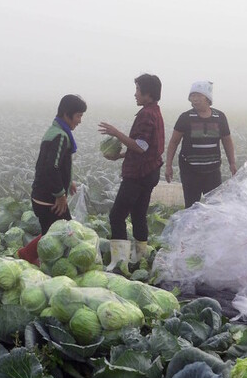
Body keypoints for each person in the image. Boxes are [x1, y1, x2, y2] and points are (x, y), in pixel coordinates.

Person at [99, 74, 165, 269]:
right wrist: (120, 156)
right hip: (150, 171)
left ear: (148, 94)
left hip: (138, 175)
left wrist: (115, 133)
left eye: (137, 90)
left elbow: (142, 146)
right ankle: (139, 258)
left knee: (117, 216)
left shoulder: (146, 114)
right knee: (138, 214)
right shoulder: (155, 111)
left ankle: (120, 262)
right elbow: (148, 147)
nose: (135, 94)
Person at [17, 95, 87, 265]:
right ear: (66, 114)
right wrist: (60, 194)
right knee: (65, 234)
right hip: (49, 199)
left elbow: (55, 163)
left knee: (53, 233)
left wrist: (68, 180)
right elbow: (51, 167)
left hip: (41, 196)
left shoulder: (55, 131)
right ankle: (34, 259)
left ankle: (27, 254)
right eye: (78, 116)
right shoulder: (61, 136)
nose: (79, 121)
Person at [164, 81, 236, 207]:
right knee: (192, 206)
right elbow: (174, 142)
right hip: (190, 171)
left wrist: (232, 163)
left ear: (207, 98)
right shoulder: (185, 117)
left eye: (198, 95)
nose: (195, 99)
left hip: (213, 171)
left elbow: (227, 141)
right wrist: (168, 165)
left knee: (214, 207)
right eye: (192, 96)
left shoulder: (219, 117)